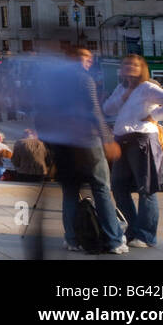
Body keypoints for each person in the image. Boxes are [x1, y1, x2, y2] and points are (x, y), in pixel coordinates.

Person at [31, 48, 126, 254]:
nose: (89, 61)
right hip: (86, 141)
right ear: (72, 59)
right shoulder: (84, 79)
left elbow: (40, 114)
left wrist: (49, 142)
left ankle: (72, 239)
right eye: (84, 57)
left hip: (63, 144)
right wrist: (107, 139)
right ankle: (113, 240)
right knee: (101, 188)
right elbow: (93, 110)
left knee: (70, 191)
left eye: (90, 58)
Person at [103, 53, 163, 248]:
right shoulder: (121, 88)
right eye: (126, 63)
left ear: (142, 69)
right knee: (119, 187)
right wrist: (124, 95)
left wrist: (155, 116)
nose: (130, 66)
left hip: (142, 139)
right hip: (122, 140)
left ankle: (146, 235)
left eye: (134, 64)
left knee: (146, 189)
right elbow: (107, 109)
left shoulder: (148, 87)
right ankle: (133, 229)